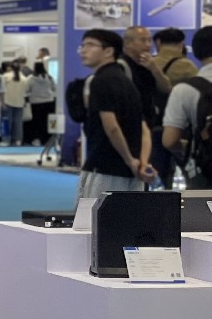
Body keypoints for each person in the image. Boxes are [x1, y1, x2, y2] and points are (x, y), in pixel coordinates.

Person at [77, 28, 154, 198]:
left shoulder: (101, 81)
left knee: (93, 214)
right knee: (130, 214)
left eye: (90, 45)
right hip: (132, 172)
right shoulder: (127, 81)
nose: (83, 50)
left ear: (108, 51)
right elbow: (144, 130)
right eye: (83, 45)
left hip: (105, 167)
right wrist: (141, 162)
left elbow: (111, 127)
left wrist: (129, 160)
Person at [161, 25, 212, 188]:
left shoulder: (184, 90)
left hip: (205, 172)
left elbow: (169, 140)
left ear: (196, 51)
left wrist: (192, 145)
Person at [125, 25, 173, 186]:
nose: (147, 44)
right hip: (131, 128)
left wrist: (154, 68)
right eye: (142, 40)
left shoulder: (148, 65)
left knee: (150, 172)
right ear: (128, 43)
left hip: (150, 125)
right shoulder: (122, 66)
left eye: (149, 40)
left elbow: (166, 88)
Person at [25, 61, 58, 150]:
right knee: (48, 122)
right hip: (49, 102)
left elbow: (26, 89)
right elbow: (54, 88)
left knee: (36, 122)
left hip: (36, 103)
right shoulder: (49, 78)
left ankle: (37, 140)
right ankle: (48, 139)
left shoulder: (31, 78)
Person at [2, 62, 27, 146]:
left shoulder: (5, 76)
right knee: (18, 122)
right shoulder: (24, 78)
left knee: (7, 121)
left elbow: (2, 89)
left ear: (11, 67)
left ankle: (6, 140)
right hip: (20, 102)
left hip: (7, 101)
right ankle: (18, 140)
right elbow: (25, 92)